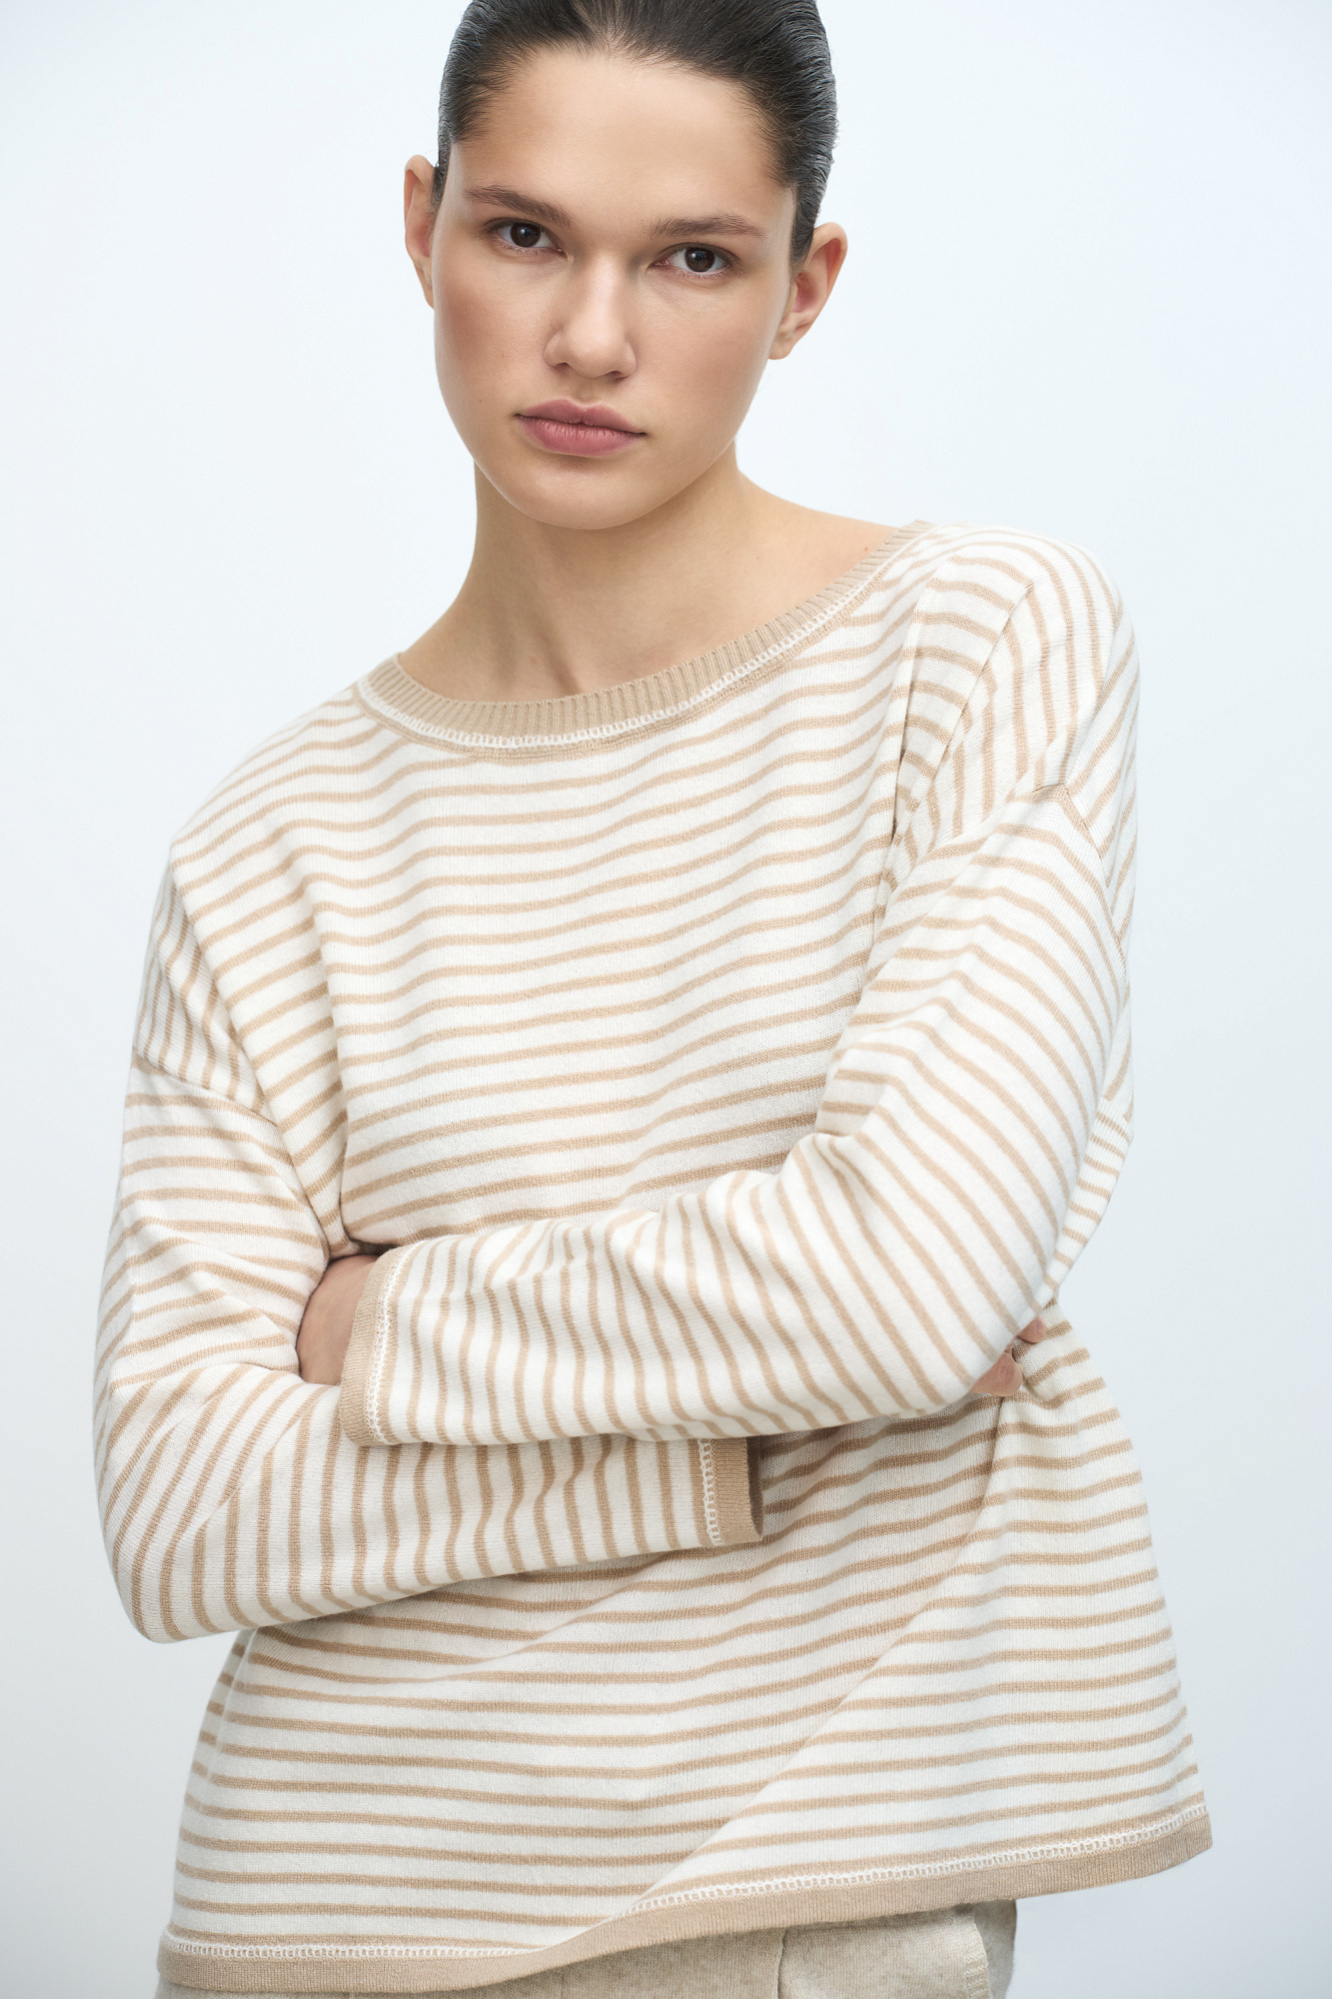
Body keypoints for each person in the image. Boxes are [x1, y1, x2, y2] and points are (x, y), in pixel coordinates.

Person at [94, 3, 1211, 1994]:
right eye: (525, 234)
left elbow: (903, 1284)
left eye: (692, 257)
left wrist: (379, 1322)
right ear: (424, 224)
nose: (593, 338)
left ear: (804, 287)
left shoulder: (977, 648)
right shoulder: (270, 842)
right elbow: (182, 1503)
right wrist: (739, 1433)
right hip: (308, 1908)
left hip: (782, 1894)